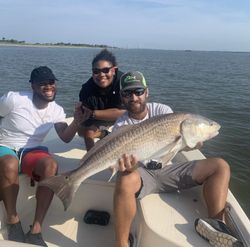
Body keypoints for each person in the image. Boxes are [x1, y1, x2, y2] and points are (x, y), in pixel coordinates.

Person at [112, 71, 242, 247]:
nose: (134, 97)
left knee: (220, 166)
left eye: (138, 91)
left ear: (147, 92)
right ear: (122, 97)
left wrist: (191, 144)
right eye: (127, 93)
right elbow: (124, 167)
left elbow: (178, 146)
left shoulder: (163, 111)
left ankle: (216, 227)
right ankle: (121, 244)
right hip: (142, 175)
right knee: (125, 178)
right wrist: (126, 167)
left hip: (168, 170)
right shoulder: (120, 125)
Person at [0, 66, 84, 246]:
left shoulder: (57, 110)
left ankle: (36, 229)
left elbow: (66, 137)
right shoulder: (13, 99)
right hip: (5, 146)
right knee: (9, 164)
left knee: (51, 166)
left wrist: (77, 122)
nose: (48, 87)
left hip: (33, 150)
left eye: (51, 82)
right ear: (32, 86)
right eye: (42, 83)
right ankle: (13, 220)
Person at [78, 49, 125, 151]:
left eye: (105, 70)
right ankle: (103, 135)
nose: (101, 75)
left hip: (124, 115)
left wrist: (93, 113)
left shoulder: (123, 83)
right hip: (98, 117)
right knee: (82, 132)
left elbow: (125, 112)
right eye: (96, 71)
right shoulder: (86, 89)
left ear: (114, 70)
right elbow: (86, 121)